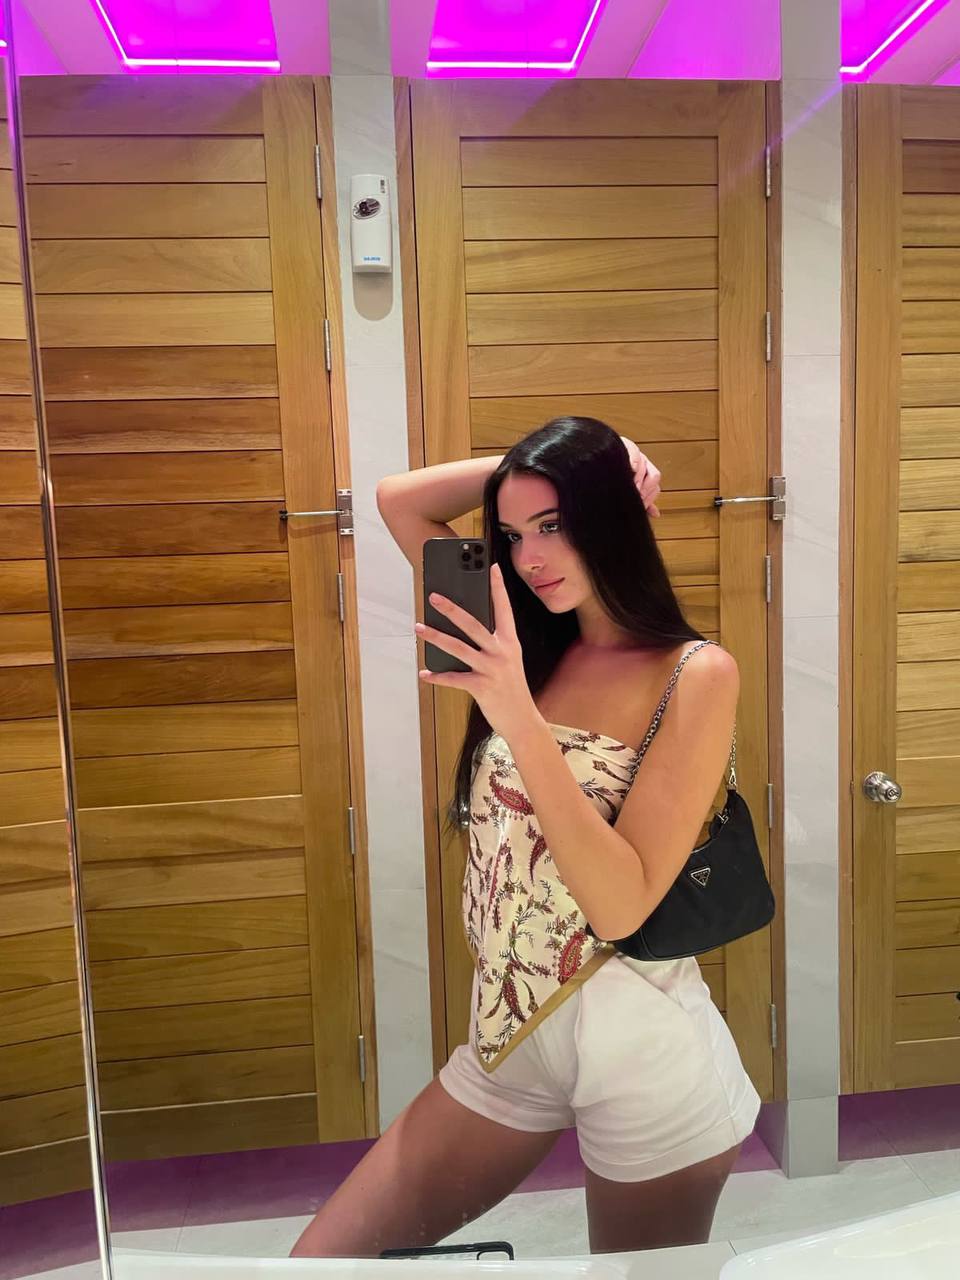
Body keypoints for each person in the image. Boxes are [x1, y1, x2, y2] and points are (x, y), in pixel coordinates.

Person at [291, 417, 760, 1259]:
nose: (530, 557)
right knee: (322, 1264)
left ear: (614, 519)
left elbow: (620, 907)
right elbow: (398, 500)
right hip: (509, 1033)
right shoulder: (529, 643)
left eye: (555, 525)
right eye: (512, 535)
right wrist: (582, 459)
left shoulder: (694, 674)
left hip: (641, 1044)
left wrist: (516, 714)